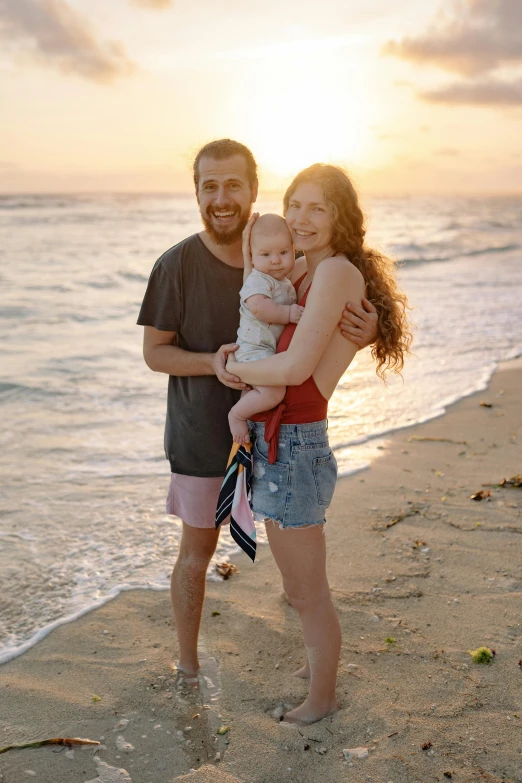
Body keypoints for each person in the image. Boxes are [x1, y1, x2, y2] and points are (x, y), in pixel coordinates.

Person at [137, 139, 379, 687]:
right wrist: (213, 362)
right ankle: (188, 666)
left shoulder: (287, 262)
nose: (221, 198)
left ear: (253, 191)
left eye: (233, 185)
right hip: (203, 431)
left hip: (277, 432)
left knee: (294, 567)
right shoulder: (176, 264)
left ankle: (315, 668)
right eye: (209, 186)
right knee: (198, 553)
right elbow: (154, 353)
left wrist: (372, 330)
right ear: (196, 193)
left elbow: (325, 321)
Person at [225, 163, 412, 724]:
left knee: (307, 591)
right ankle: (318, 663)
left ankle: (322, 699)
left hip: (298, 443)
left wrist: (234, 375)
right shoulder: (308, 272)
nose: (302, 219)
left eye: (317, 208)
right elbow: (262, 301)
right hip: (282, 438)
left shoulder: (331, 273)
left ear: (340, 218)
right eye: (295, 205)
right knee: (296, 581)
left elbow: (302, 365)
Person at [228, 213, 304, 445]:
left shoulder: (280, 281)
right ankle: (237, 415)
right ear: (252, 257)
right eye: (266, 254)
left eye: (283, 252)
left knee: (259, 392)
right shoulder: (257, 279)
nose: (276, 261)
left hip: (263, 350)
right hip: (253, 349)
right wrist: (289, 314)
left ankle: (247, 410)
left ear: (293, 249)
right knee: (274, 392)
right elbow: (260, 308)